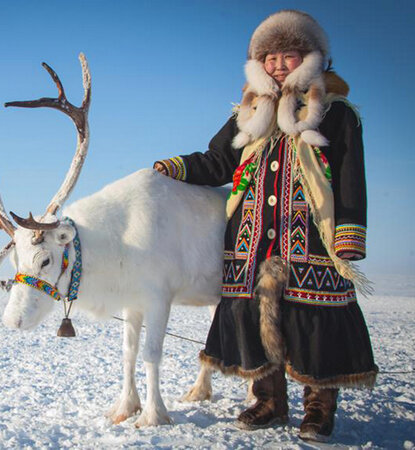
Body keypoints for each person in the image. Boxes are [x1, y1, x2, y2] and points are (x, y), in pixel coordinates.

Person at [154, 10, 377, 443]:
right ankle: (269, 400)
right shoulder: (250, 111)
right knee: (254, 318)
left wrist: (350, 234)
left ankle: (318, 407)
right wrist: (175, 167)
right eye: (269, 57)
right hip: (250, 237)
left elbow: (351, 174)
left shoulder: (334, 113)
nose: (277, 65)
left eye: (287, 56)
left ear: (312, 58)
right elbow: (219, 160)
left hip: (311, 235)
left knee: (316, 320)